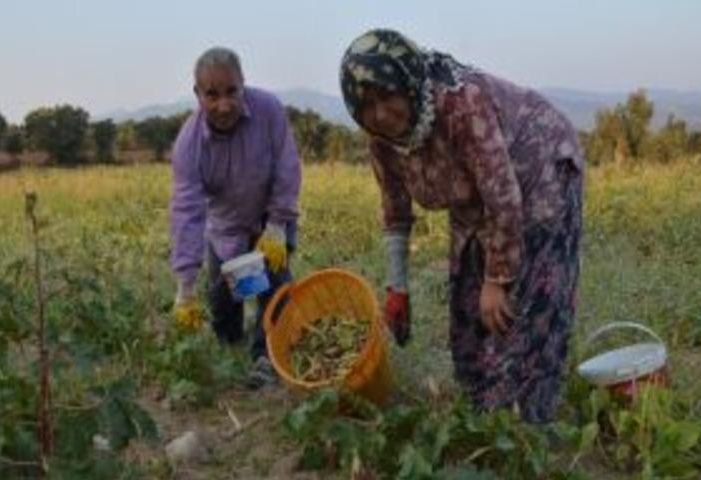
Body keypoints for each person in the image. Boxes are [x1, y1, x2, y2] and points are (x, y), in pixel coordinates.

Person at [340, 29, 583, 423]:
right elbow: (396, 214)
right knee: (469, 308)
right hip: (472, 196)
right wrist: (397, 287)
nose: (381, 114)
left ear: (409, 83)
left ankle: (526, 419)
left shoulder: (460, 105)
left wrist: (498, 279)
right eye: (367, 105)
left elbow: (503, 196)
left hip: (537, 170)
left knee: (525, 304)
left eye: (388, 96)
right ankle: (481, 404)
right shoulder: (382, 141)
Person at [169, 46, 301, 389]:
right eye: (211, 95)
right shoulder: (190, 143)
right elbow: (187, 212)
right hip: (226, 227)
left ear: (244, 85)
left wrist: (276, 225)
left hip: (270, 216)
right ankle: (232, 340)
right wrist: (184, 286)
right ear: (197, 94)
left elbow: (287, 168)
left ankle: (266, 357)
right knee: (225, 296)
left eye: (231, 91)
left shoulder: (269, 110)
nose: (223, 104)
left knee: (274, 284)